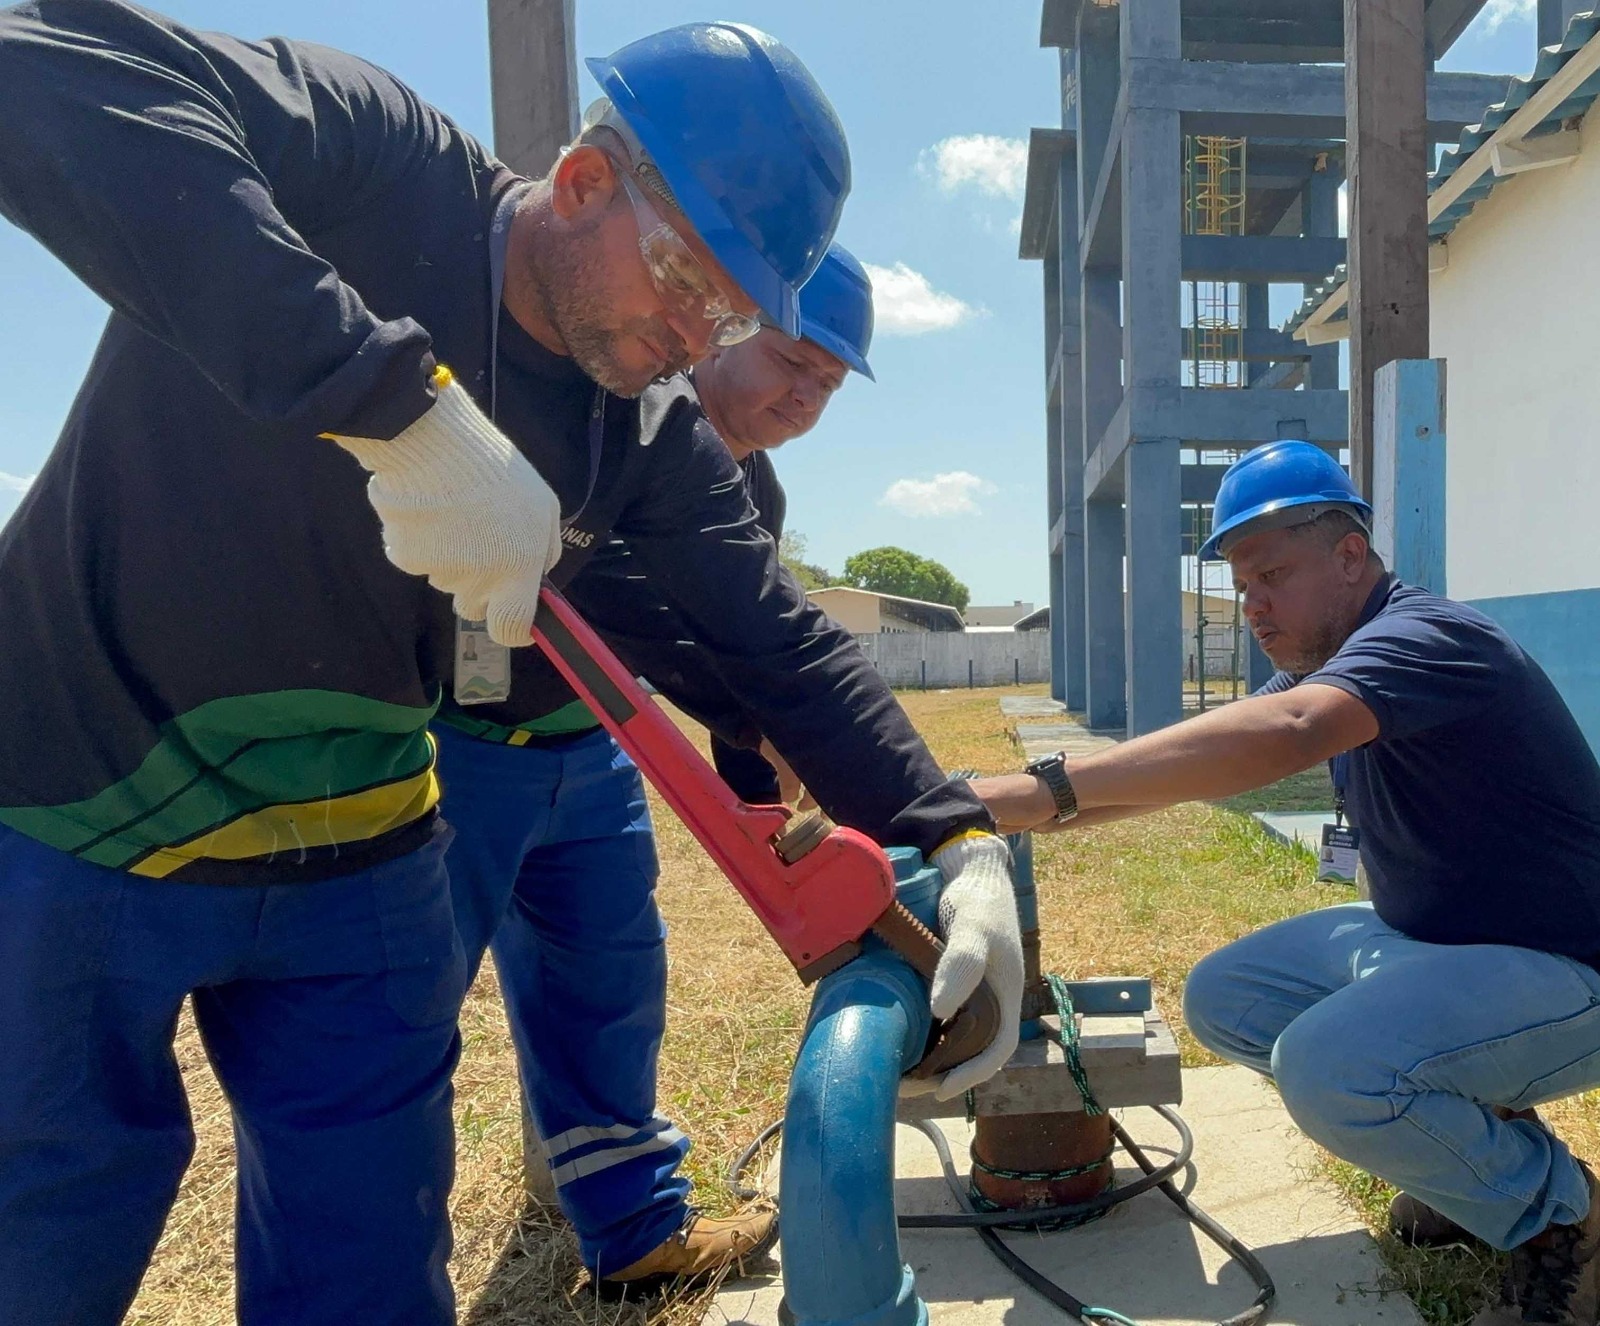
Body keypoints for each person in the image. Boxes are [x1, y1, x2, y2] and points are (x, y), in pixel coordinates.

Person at [0, 5, 1022, 1321]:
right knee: (50, 1211)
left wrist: (956, 836)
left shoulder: (639, 430)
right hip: (79, 781)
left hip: (356, 827)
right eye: (689, 282)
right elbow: (45, 66)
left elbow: (767, 635)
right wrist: (395, 405)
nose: (700, 338)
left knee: (364, 1259)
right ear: (586, 181)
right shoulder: (378, 160)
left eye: (732, 316)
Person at [974, 439, 1600, 1326]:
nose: (1253, 604)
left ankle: (1564, 1225)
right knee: (1230, 994)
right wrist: (1026, 806)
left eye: (1271, 574)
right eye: (1241, 584)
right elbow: (1208, 762)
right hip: (1449, 950)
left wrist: (1045, 789)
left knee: (1330, 1067)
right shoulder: (1330, 661)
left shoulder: (1427, 636)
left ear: (1351, 557)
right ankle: (1480, 1151)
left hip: (1571, 969)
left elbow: (1292, 728)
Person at [432, 242, 874, 1294]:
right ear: (723, 323)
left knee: (608, 987)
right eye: (790, 359)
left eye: (827, 384)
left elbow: (739, 655)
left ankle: (634, 1234)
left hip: (589, 758)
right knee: (395, 1019)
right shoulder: (593, 410)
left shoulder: (747, 495)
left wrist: (780, 820)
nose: (802, 396)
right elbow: (603, 599)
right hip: (452, 743)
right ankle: (381, 1281)